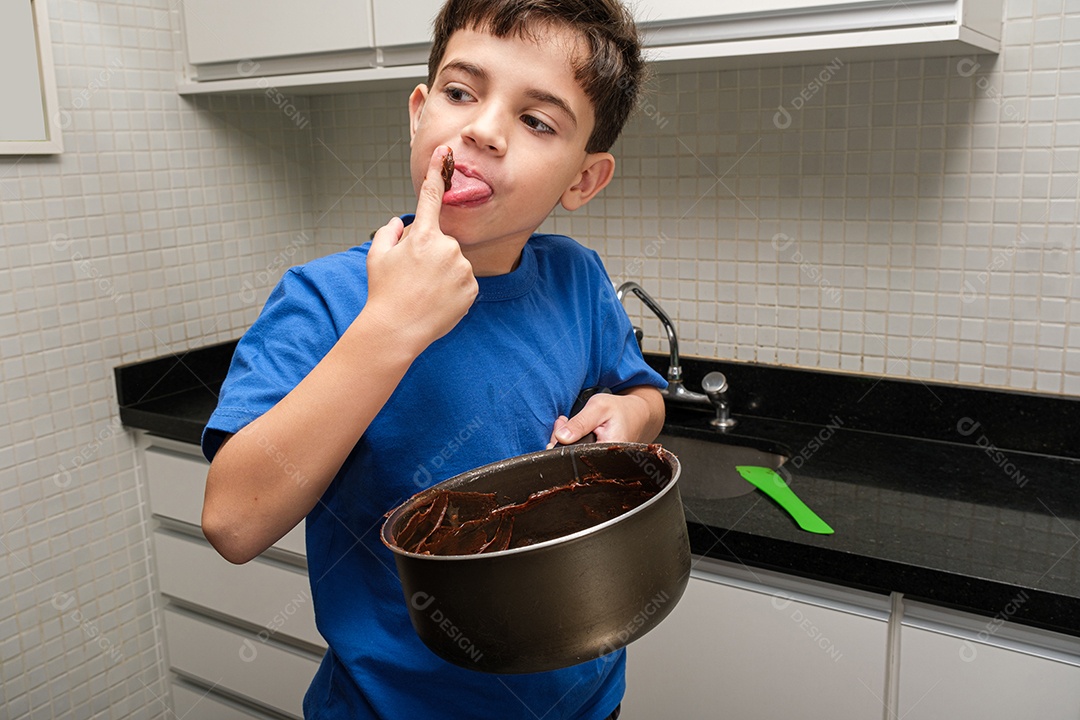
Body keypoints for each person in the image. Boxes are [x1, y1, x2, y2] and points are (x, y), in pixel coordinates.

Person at [200, 0, 666, 717]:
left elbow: (643, 394)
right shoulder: (325, 300)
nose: (482, 129)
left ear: (583, 180)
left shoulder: (577, 279)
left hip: (583, 700)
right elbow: (234, 522)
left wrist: (631, 414)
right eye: (460, 93)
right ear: (420, 112)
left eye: (537, 121)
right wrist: (388, 328)